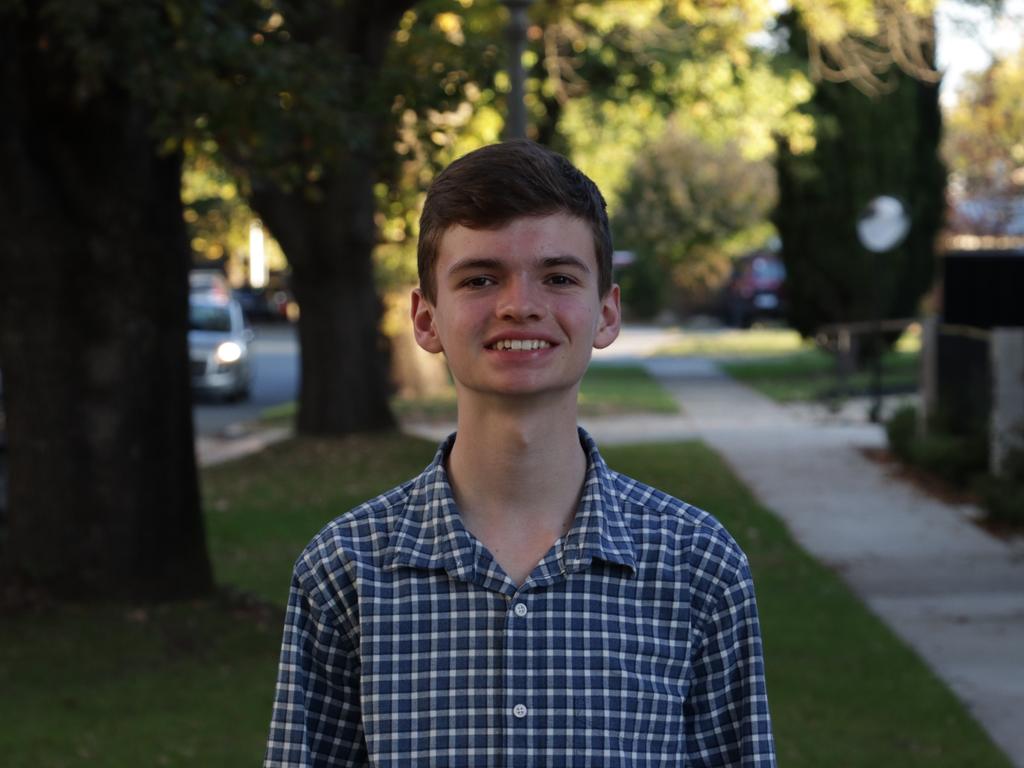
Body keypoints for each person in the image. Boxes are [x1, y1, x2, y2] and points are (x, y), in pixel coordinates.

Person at [264, 139, 776, 767]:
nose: (520, 305)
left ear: (606, 313)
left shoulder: (699, 567)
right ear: (426, 319)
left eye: (558, 278)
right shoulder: (347, 571)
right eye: (480, 279)